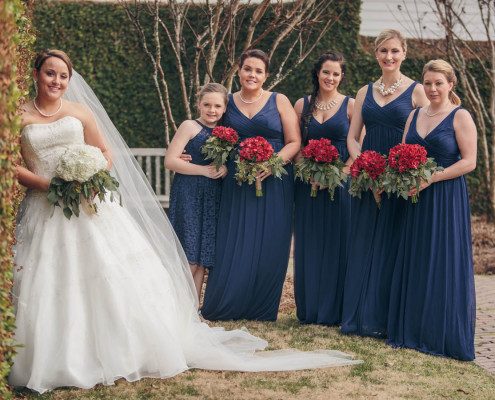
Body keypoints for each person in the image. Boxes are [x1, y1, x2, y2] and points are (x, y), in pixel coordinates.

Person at [10, 49, 361, 394]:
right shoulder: (17, 113)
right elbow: (8, 162)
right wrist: (50, 185)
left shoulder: (79, 111)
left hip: (92, 201)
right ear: (36, 74)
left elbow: (105, 154)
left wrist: (86, 177)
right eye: (49, 73)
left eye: (63, 75)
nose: (56, 80)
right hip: (45, 205)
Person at [201, 49, 301, 321]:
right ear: (239, 70)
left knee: (270, 240)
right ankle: (227, 302)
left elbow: (294, 142)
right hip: (238, 180)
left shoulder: (279, 100)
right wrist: (190, 149)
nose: (252, 75)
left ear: (266, 75)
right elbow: (211, 130)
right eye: (247, 69)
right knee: (234, 239)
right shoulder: (227, 102)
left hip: (275, 180)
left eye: (258, 71)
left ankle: (261, 307)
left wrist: (271, 164)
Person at [387, 59, 477, 360]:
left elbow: (469, 161)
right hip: (414, 197)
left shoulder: (460, 116)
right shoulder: (413, 115)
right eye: (428, 83)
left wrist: (432, 177)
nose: (433, 88)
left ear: (451, 84)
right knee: (416, 258)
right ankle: (412, 329)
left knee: (442, 260)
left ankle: (441, 333)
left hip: (445, 198)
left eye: (439, 83)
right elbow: (401, 154)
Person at [342, 29, 429, 337]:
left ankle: (391, 318)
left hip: (398, 180)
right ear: (375, 54)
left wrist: (403, 173)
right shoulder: (365, 92)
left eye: (394, 50)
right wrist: (364, 164)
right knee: (365, 242)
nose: (389, 56)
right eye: (383, 51)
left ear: (404, 53)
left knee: (394, 244)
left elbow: (425, 136)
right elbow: (352, 137)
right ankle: (362, 316)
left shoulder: (418, 91)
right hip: (368, 179)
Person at [293, 51, 354, 326]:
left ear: (342, 77)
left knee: (339, 243)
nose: (330, 77)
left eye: (336, 73)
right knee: (311, 243)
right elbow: (296, 146)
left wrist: (337, 176)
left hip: (340, 186)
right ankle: (311, 309)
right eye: (326, 72)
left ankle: (336, 310)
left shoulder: (352, 106)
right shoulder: (301, 105)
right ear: (317, 73)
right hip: (308, 186)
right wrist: (308, 173)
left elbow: (357, 150)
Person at [165, 83, 228, 306]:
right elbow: (170, 160)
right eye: (207, 105)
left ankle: (194, 309)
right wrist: (204, 170)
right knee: (189, 255)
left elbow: (226, 163)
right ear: (199, 105)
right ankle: (176, 307)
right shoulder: (189, 126)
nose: (212, 110)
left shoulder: (226, 133)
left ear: (224, 108)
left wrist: (224, 170)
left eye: (217, 106)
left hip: (212, 197)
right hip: (189, 194)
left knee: (201, 258)